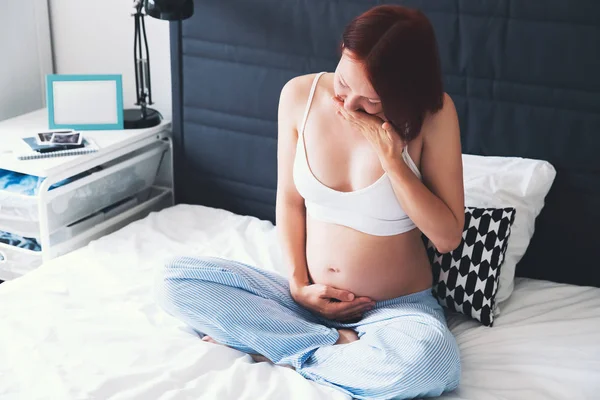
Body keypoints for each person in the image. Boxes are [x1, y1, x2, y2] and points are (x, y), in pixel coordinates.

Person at [156, 5, 463, 400]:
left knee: (431, 364)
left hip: (396, 310)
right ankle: (329, 347)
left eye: (371, 100)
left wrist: (393, 161)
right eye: (344, 84)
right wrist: (299, 285)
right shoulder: (299, 95)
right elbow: (289, 200)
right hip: (303, 300)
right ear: (340, 52)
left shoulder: (434, 114)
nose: (350, 106)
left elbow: (447, 237)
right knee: (173, 282)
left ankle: (279, 349)